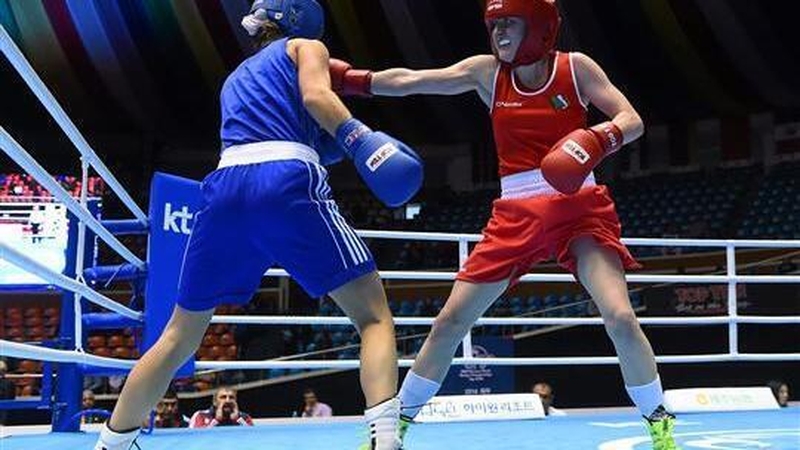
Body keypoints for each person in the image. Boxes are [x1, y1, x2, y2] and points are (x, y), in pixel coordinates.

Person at [333, 1, 679, 448]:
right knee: (449, 322)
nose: (498, 33)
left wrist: (596, 139)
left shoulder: (575, 68)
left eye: (508, 23)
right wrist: (353, 81)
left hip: (578, 206)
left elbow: (631, 120)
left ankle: (659, 422)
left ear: (538, 27)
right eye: (493, 24)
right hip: (515, 213)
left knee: (620, 316)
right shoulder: (488, 73)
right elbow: (415, 80)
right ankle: (396, 424)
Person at [93, 1, 424, 448]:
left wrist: (331, 143)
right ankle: (386, 439)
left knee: (177, 336)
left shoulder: (236, 79)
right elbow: (316, 98)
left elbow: (282, 131)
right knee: (373, 317)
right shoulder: (306, 47)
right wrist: (360, 140)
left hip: (224, 186)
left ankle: (110, 444)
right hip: (285, 179)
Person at [188, 387, 253, 428]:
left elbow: (252, 437)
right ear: (215, 402)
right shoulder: (201, 416)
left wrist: (237, 420)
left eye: (231, 397)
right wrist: (216, 421)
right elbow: (196, 438)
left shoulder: (244, 417)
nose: (227, 401)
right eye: (223, 397)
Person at [0, 360, 16, 425]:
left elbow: (9, 401)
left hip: (4, 418)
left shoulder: (8, 384)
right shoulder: (9, 383)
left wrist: (2, 422)